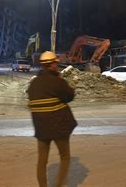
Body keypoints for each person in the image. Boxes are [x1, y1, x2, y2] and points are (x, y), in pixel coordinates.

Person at [26, 51, 77, 187]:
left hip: (41, 129)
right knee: (65, 157)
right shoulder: (56, 81)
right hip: (59, 128)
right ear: (52, 65)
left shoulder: (34, 84)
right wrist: (62, 81)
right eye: (56, 63)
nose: (57, 65)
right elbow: (70, 96)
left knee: (42, 161)